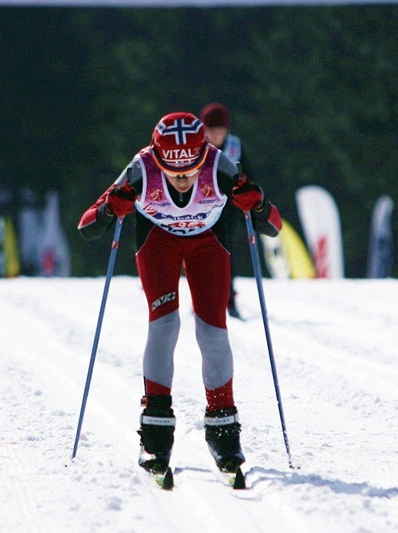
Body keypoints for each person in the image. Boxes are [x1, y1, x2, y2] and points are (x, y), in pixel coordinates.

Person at [77, 112, 281, 475]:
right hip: (159, 242)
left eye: (191, 170)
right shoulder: (141, 167)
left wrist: (258, 203)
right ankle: (155, 433)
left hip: (208, 244)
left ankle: (223, 431)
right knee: (165, 324)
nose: (184, 179)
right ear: (159, 160)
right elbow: (88, 225)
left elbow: (273, 226)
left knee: (212, 330)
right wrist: (112, 206)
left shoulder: (222, 165)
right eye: (174, 173)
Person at [200, 102, 251, 318]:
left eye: (221, 130)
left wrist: (250, 200)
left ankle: (228, 298)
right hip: (200, 210)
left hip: (228, 211)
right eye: (212, 130)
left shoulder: (235, 147)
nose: (216, 135)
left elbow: (248, 178)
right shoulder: (196, 147)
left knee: (225, 255)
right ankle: (201, 299)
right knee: (200, 255)